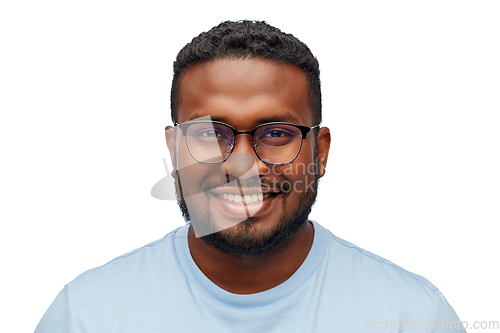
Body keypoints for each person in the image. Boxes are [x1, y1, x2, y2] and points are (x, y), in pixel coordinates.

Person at [35, 20, 466, 332]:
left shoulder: (414, 317)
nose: (242, 166)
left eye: (276, 133)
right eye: (209, 133)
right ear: (174, 150)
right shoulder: (85, 316)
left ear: (320, 152)